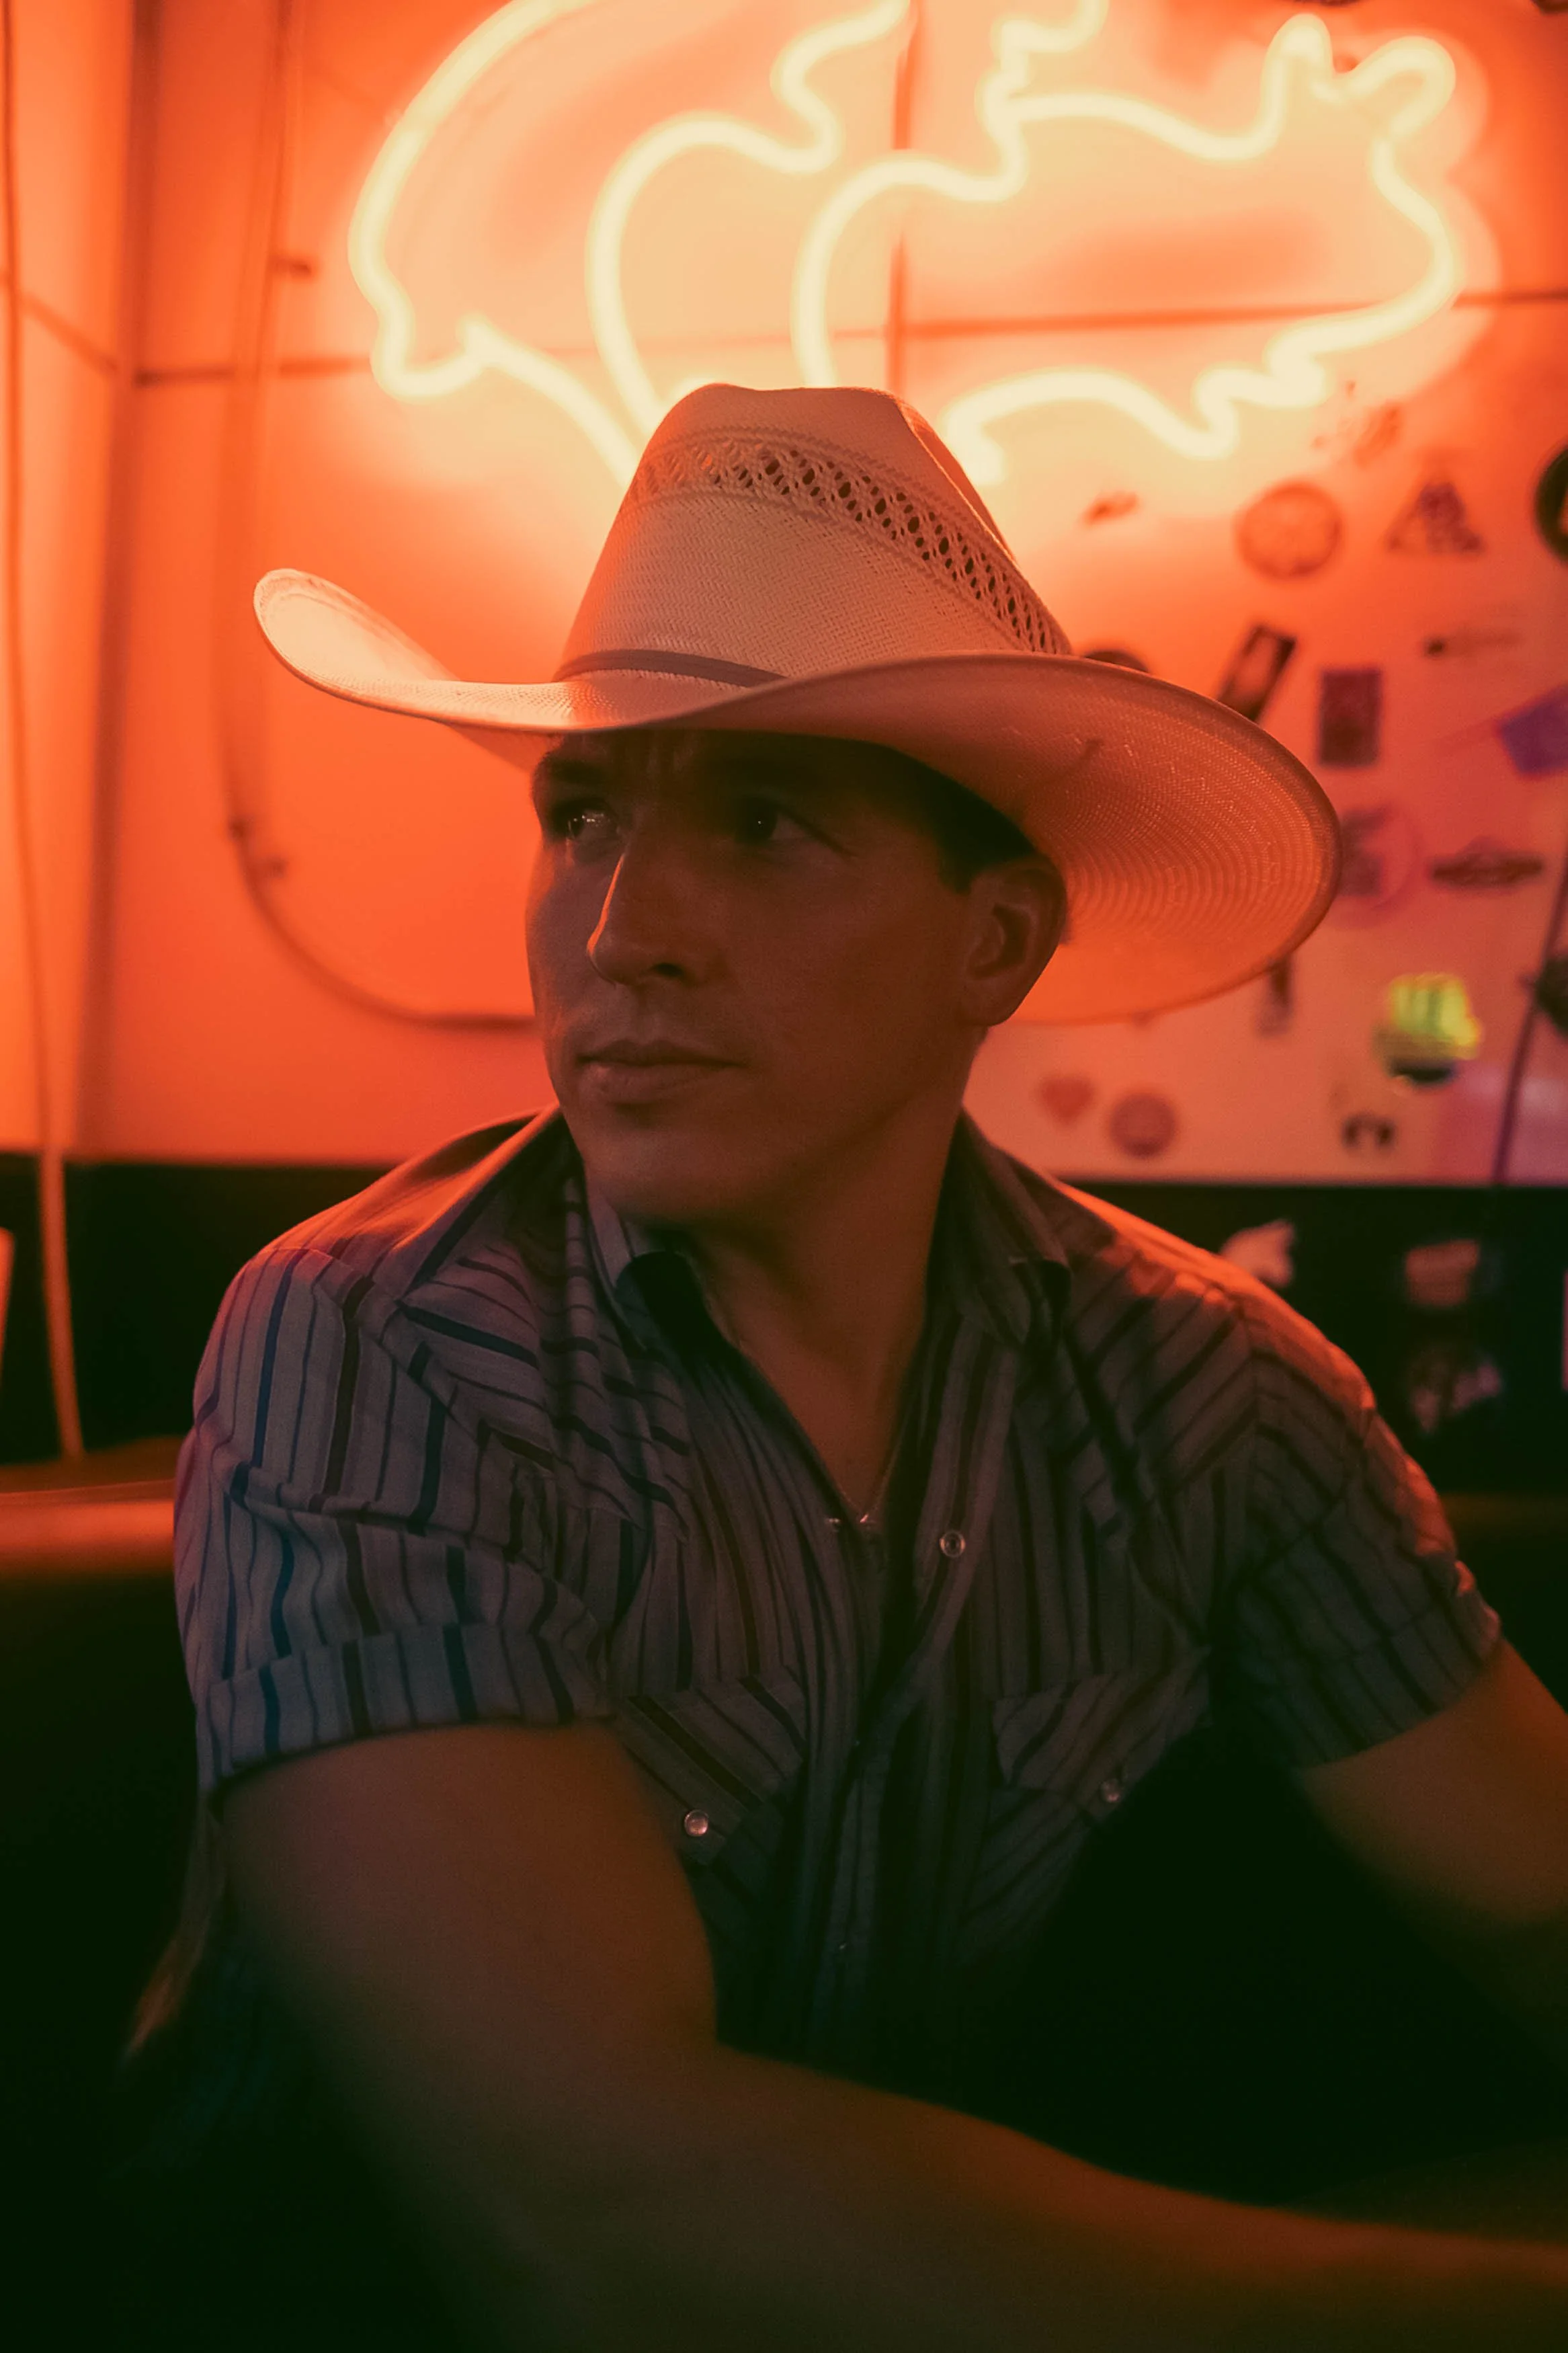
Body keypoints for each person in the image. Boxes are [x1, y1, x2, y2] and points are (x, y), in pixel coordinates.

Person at [155, 385, 1568, 2348]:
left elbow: (1533, 1904)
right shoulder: (387, 1341)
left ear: (990, 944)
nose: (624, 931)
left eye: (764, 822)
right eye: (583, 819)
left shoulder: (1210, 1393)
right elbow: (593, 2214)